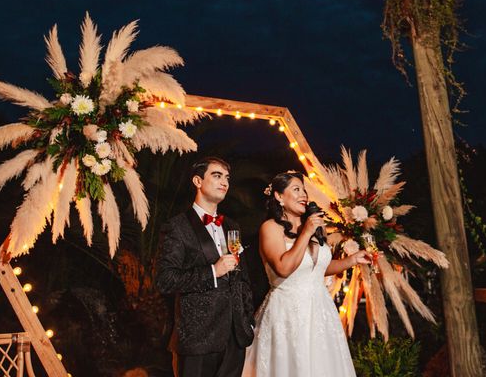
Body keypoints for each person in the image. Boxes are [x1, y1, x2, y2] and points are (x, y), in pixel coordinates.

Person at [242, 171, 369, 377]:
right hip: (287, 313)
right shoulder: (271, 228)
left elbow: (316, 269)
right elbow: (283, 267)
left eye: (304, 190)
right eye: (296, 189)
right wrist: (306, 233)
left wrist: (352, 260)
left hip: (320, 311)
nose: (304, 195)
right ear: (279, 196)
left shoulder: (316, 227)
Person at [156, 157, 255, 377]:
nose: (225, 183)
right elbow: (165, 280)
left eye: (227, 178)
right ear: (197, 181)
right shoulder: (177, 227)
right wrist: (213, 271)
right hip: (197, 339)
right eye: (217, 175)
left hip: (234, 338)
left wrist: (247, 320)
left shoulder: (231, 225)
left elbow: (243, 279)